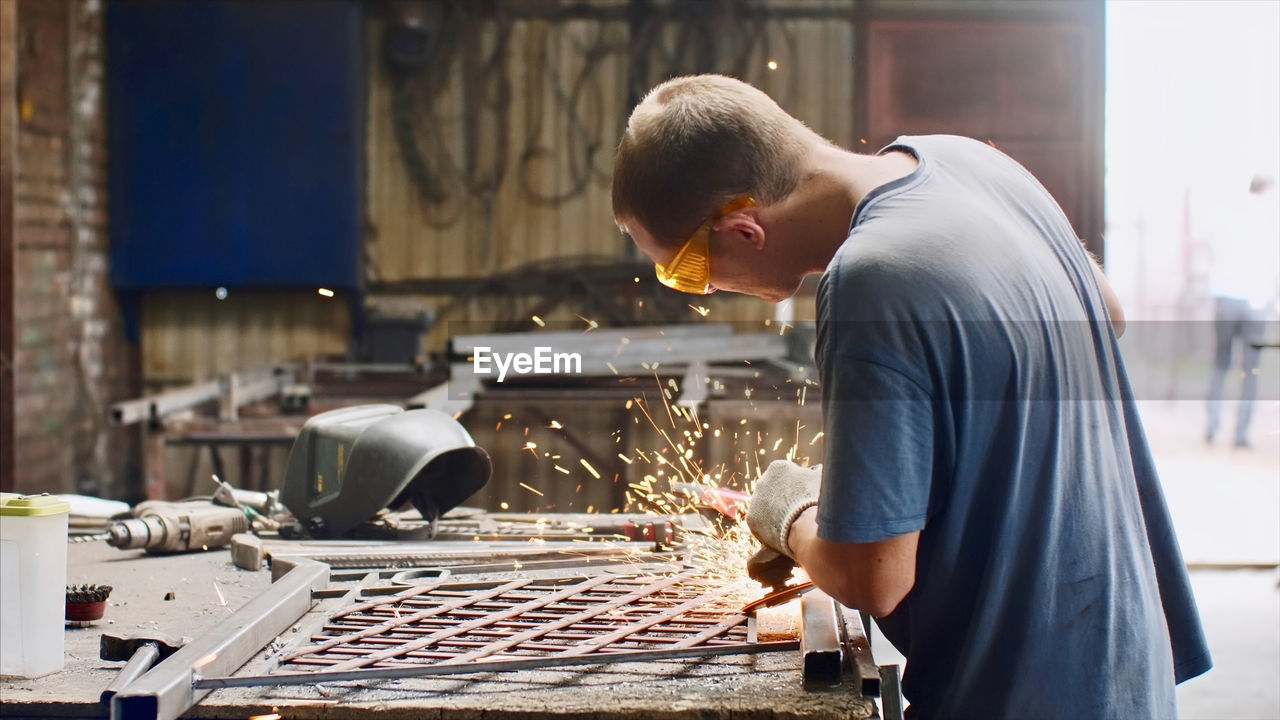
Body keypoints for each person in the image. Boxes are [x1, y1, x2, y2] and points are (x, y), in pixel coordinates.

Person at [612, 74, 1210, 719]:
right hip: (1122, 667)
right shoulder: (972, 163)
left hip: (1015, 692)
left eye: (685, 270)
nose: (699, 291)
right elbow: (1107, 312)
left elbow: (873, 578)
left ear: (742, 228)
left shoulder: (869, 281)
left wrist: (788, 512)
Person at [1205, 173, 1278, 449]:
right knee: (1250, 370)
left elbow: (1210, 246)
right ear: (1267, 190)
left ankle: (1212, 424)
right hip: (1256, 301)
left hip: (1225, 298)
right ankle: (1241, 434)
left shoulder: (1228, 216)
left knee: (1220, 363)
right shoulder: (1271, 219)